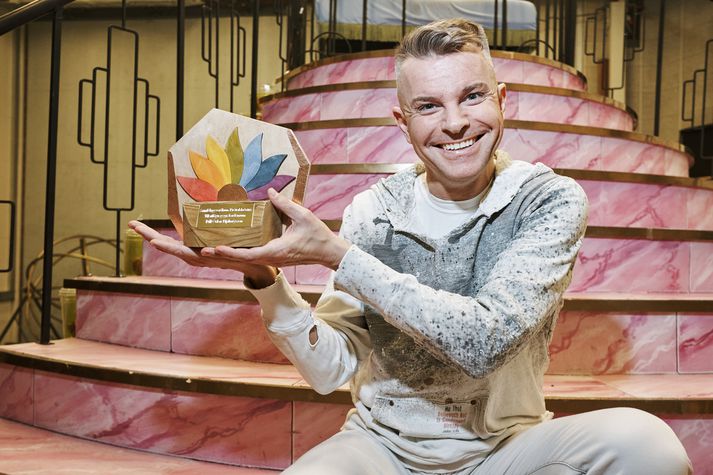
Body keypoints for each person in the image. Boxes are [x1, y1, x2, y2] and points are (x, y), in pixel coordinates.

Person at [131, 19, 692, 475]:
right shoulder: (374, 210)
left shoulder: (546, 200)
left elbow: (484, 341)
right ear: (402, 121)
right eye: (428, 106)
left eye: (472, 96)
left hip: (506, 448)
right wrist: (263, 277)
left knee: (647, 445)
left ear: (502, 100)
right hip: (383, 449)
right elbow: (329, 369)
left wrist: (339, 256)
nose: (456, 123)